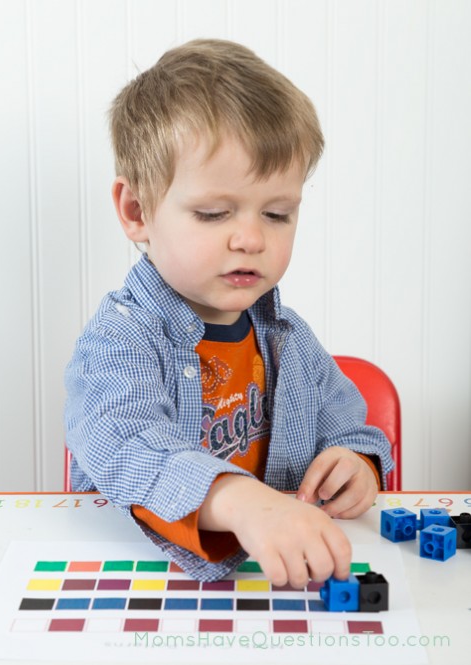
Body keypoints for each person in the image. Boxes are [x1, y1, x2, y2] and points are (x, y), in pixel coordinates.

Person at [65, 39, 394, 585]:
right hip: (141, 577)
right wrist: (240, 500)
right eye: (214, 213)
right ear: (136, 211)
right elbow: (125, 443)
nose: (250, 238)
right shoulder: (118, 342)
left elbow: (352, 428)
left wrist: (355, 462)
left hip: (273, 577)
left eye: (277, 213)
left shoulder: (292, 341)